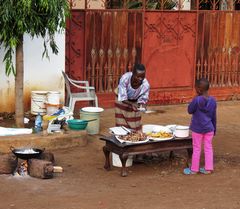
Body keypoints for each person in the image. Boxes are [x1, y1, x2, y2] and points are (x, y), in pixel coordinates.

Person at [184, 78, 217, 175]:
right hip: (209, 128)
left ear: (198, 89)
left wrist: (194, 98)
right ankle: (208, 168)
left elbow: (189, 110)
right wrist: (214, 129)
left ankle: (194, 169)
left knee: (197, 148)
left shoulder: (197, 100)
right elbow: (214, 116)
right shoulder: (213, 101)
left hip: (197, 129)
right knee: (208, 147)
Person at [115, 63, 150, 131]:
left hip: (135, 100)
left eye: (142, 77)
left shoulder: (145, 84)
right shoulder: (125, 78)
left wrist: (143, 105)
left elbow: (143, 99)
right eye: (138, 76)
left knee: (135, 124)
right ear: (133, 73)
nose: (140, 79)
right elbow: (122, 98)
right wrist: (132, 104)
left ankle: (134, 137)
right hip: (121, 100)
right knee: (121, 124)